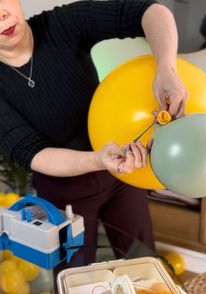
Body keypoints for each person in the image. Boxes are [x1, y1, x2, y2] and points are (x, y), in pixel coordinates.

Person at [0, 0, 188, 272]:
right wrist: (99, 159)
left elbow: (149, 11)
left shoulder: (60, 25)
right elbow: (33, 152)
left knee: (144, 264)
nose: (2, 14)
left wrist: (167, 69)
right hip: (63, 194)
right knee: (74, 276)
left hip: (124, 172)